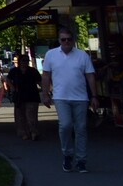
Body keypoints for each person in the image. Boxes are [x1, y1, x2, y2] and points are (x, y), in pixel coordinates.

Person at [42, 27, 99, 173]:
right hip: (61, 97)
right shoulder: (51, 55)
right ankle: (67, 154)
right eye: (63, 39)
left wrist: (94, 96)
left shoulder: (82, 55)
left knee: (81, 128)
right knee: (66, 125)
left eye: (69, 39)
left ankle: (81, 160)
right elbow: (46, 75)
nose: (66, 42)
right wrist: (45, 94)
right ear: (59, 41)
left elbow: (90, 76)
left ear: (73, 40)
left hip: (80, 98)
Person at [4, 53, 41, 140]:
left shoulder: (33, 71)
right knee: (20, 116)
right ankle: (24, 133)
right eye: (23, 60)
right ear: (19, 62)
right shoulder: (14, 71)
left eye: (27, 60)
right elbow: (7, 79)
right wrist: (12, 87)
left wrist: (47, 91)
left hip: (32, 96)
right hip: (19, 96)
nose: (25, 62)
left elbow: (40, 81)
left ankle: (33, 132)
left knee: (31, 115)